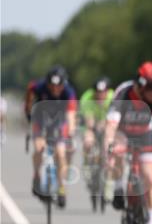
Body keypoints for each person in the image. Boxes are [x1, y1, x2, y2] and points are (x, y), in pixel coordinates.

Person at [106, 62, 152, 224]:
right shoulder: (123, 94)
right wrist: (109, 148)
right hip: (122, 132)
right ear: (141, 87)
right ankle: (119, 187)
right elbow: (111, 126)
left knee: (150, 179)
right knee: (116, 152)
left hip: (145, 134)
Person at [26, 66, 78, 207]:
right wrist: (28, 110)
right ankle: (37, 176)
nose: (55, 89)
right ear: (47, 83)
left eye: (58, 86)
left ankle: (62, 188)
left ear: (63, 84)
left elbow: (71, 115)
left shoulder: (69, 92)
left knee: (60, 154)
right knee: (39, 148)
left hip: (59, 122)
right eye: (52, 86)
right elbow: (30, 89)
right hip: (40, 119)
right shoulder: (40, 86)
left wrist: (71, 133)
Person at [79, 76, 114, 166]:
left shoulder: (113, 97)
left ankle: (107, 164)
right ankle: (87, 161)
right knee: (88, 141)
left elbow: (115, 117)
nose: (100, 95)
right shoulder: (87, 98)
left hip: (107, 124)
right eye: (98, 92)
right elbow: (89, 121)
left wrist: (106, 124)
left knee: (108, 142)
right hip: (91, 125)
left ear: (107, 91)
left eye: (103, 92)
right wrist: (97, 125)